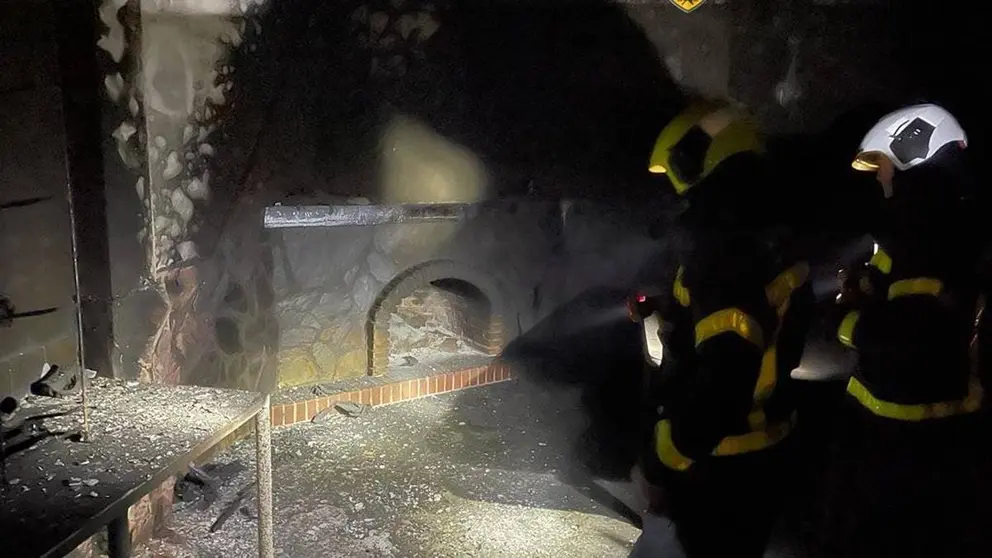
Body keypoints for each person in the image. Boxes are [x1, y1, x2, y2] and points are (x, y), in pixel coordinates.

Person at [630, 98, 814, 557]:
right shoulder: (770, 235)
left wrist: (661, 464)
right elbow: (740, 323)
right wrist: (669, 306)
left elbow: (722, 384)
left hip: (720, 465)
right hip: (765, 452)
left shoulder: (723, 253)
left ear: (698, 162)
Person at [821, 103, 990, 557]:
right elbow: (897, 290)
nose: (880, 178)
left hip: (897, 441)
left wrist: (848, 322)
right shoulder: (929, 229)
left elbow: (906, 337)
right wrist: (863, 288)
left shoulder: (924, 235)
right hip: (913, 433)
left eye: (884, 167)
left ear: (913, 158)